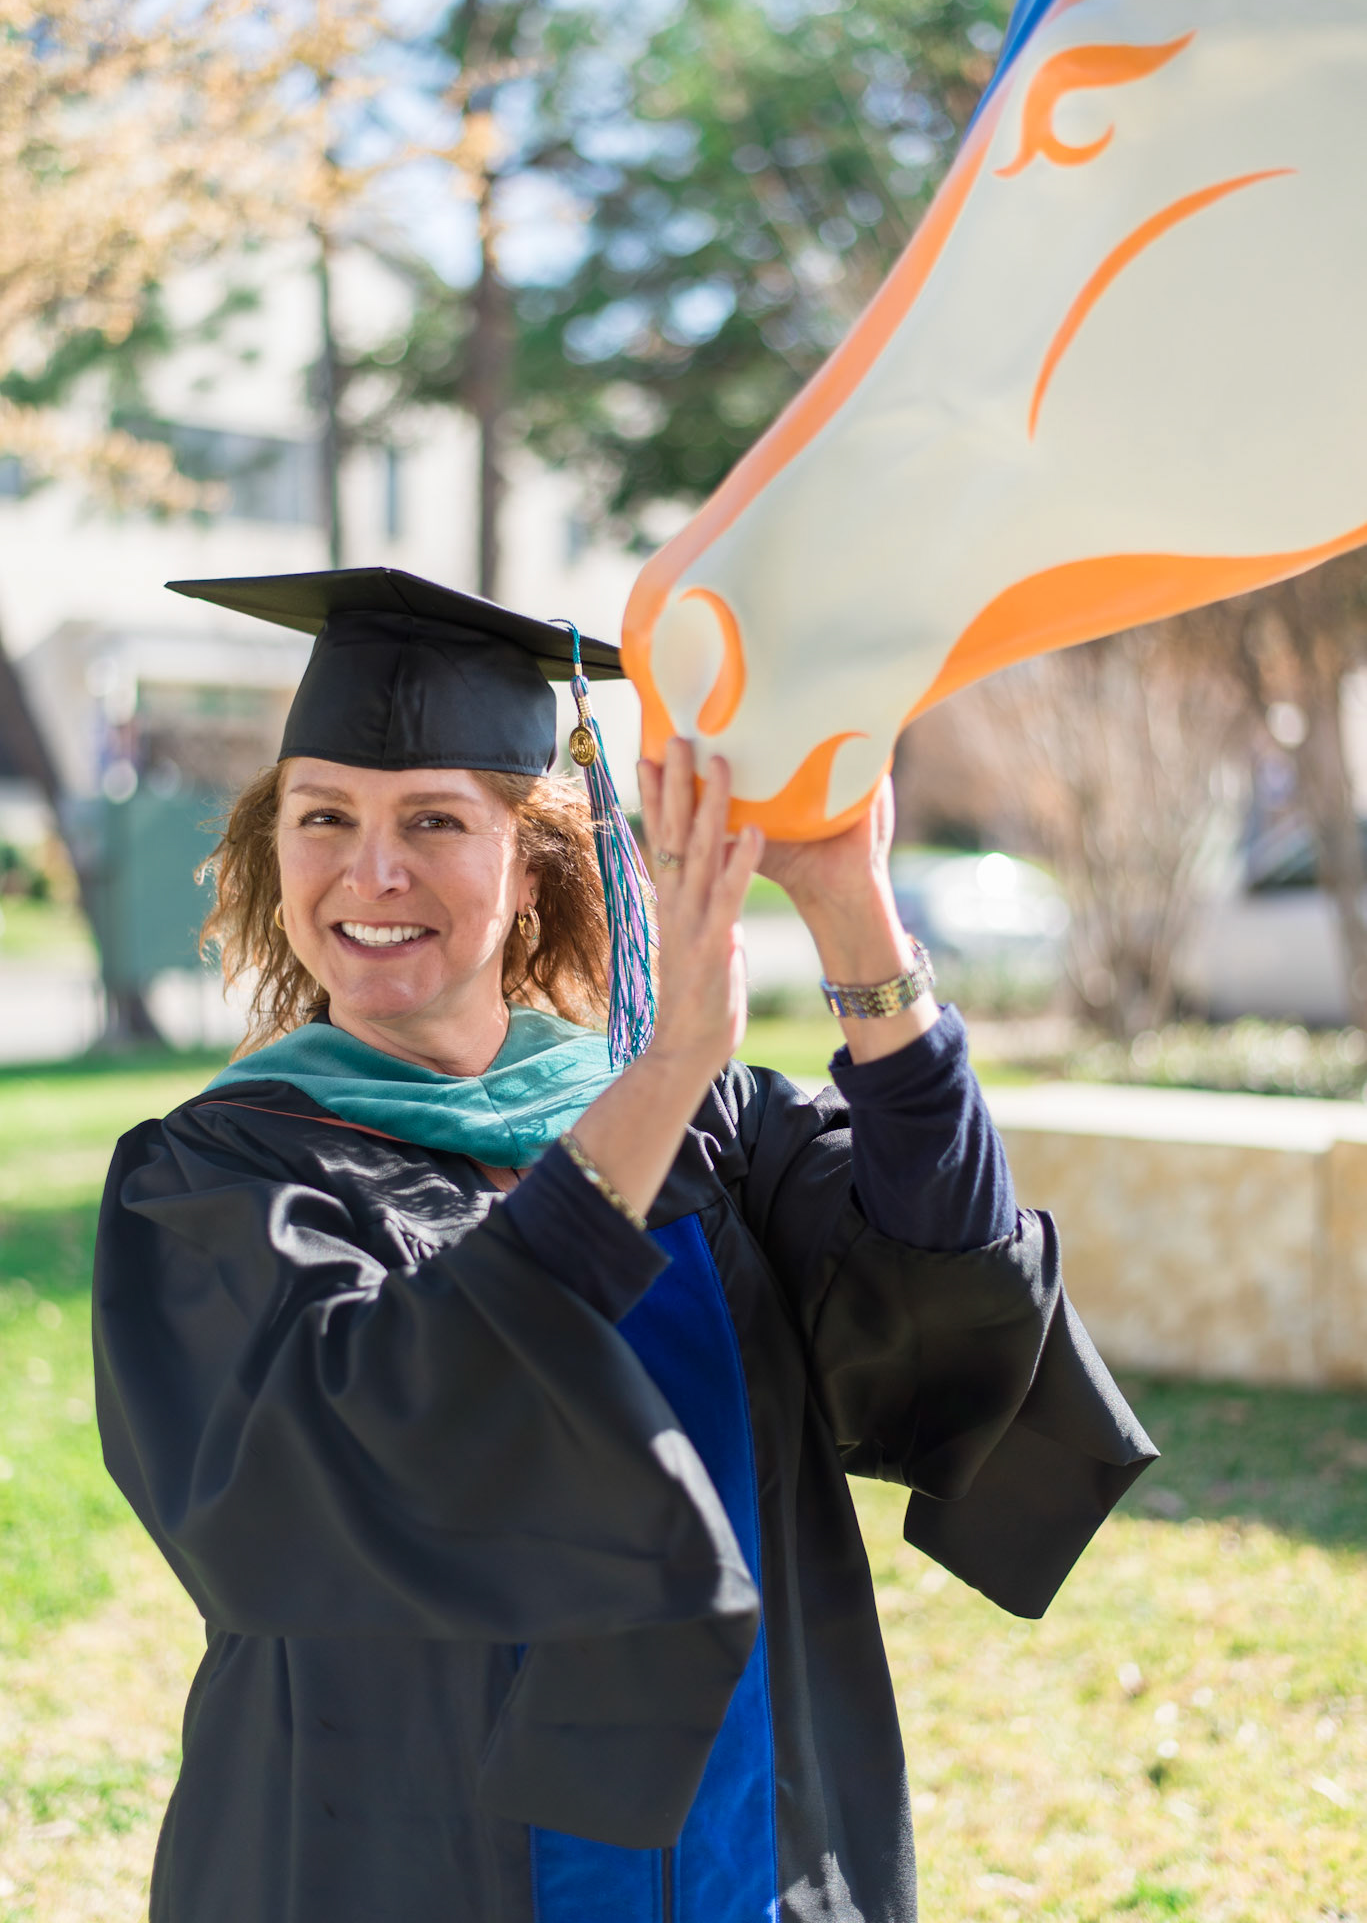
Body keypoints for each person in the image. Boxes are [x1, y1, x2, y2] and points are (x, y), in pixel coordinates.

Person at [94, 569, 1155, 1923]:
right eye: (325, 817)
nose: (373, 871)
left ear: (533, 866)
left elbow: (947, 1289)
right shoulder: (221, 1178)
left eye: (435, 819)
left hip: (750, 1837)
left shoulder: (714, 1130)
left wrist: (849, 906)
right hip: (400, 1855)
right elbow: (367, 1446)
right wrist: (657, 1079)